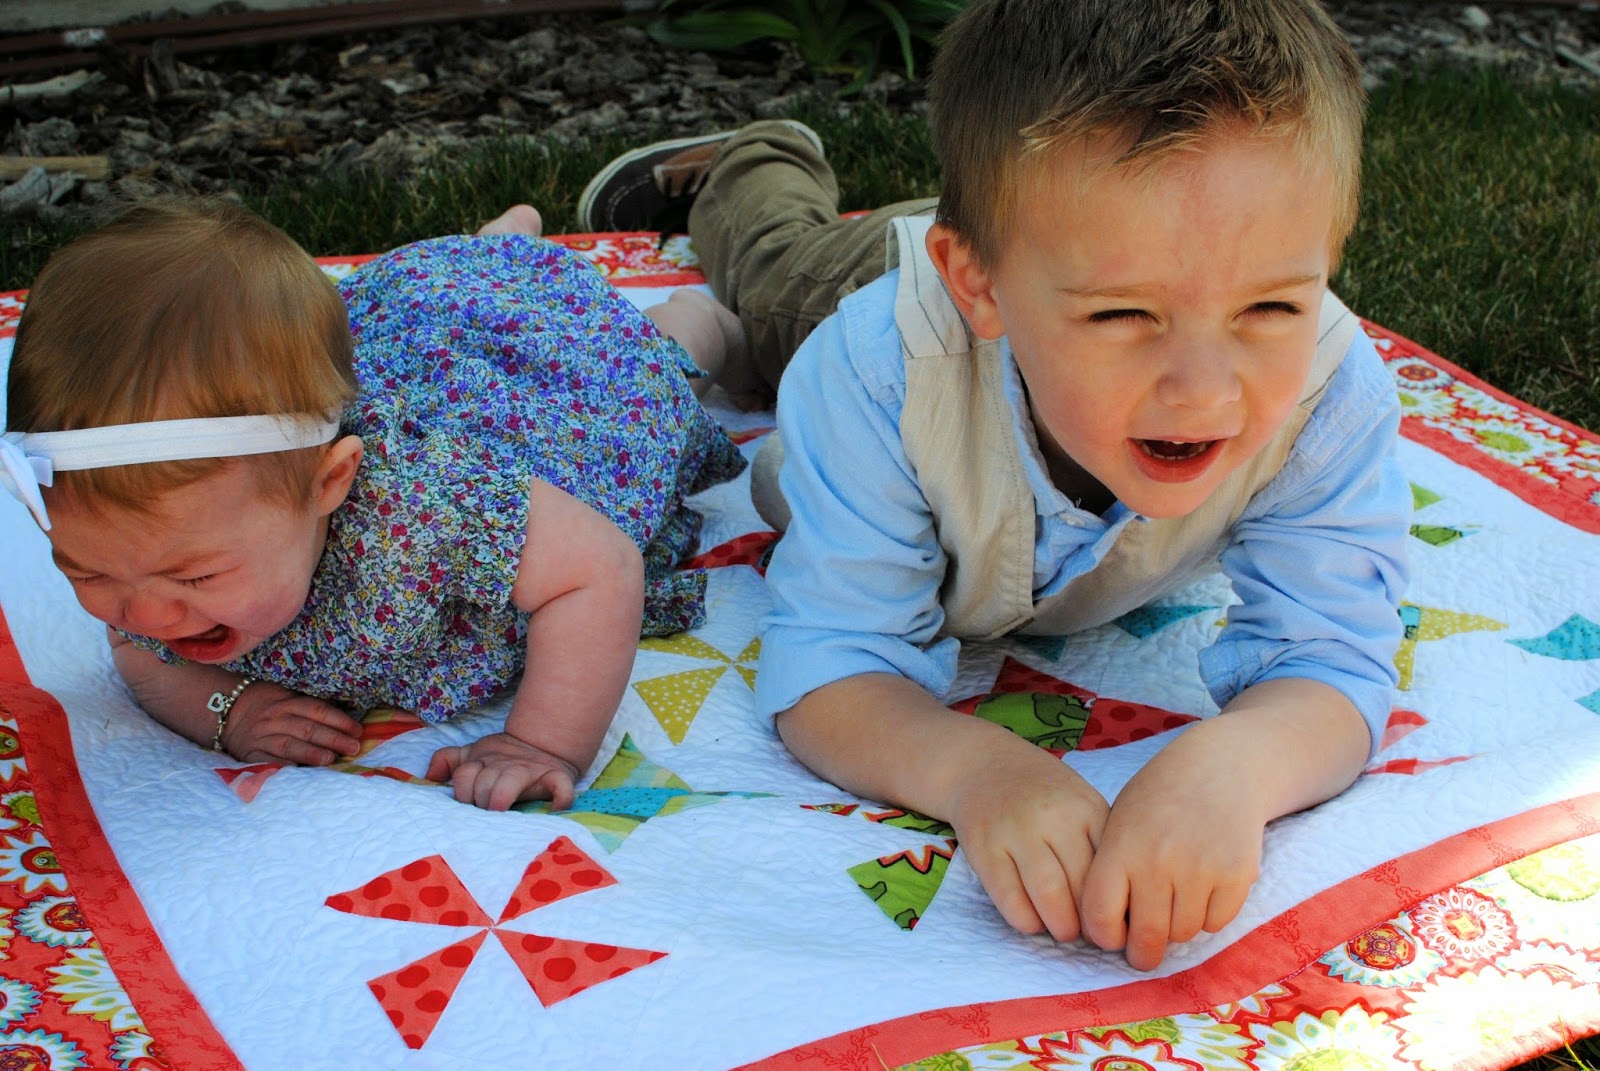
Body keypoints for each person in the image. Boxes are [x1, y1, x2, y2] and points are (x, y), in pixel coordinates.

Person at [578, 0, 1410, 970]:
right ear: (975, 283)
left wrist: (1234, 767)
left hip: (1033, 237)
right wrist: (982, 774)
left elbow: (1334, 654)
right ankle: (755, 156)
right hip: (849, 286)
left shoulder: (1329, 391)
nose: (1204, 390)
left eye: (1269, 306)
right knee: (769, 278)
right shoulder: (877, 370)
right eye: (1122, 316)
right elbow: (833, 660)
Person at [1, 196, 750, 812]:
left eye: (195, 577)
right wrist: (230, 710)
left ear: (329, 482)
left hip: (544, 399)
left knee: (648, 379)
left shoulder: (427, 501)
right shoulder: (152, 554)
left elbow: (599, 567)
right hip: (404, 336)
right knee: (458, 289)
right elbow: (141, 655)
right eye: (87, 572)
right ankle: (496, 243)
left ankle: (695, 321)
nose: (143, 614)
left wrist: (541, 742)